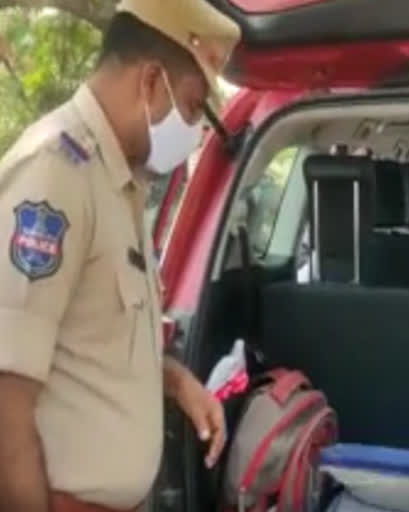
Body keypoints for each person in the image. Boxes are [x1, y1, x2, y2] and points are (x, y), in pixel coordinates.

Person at [0, 1, 240, 511]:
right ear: (151, 81)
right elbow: (5, 399)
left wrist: (175, 382)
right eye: (194, 108)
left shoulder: (119, 182)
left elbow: (93, 341)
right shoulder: (55, 173)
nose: (196, 130)